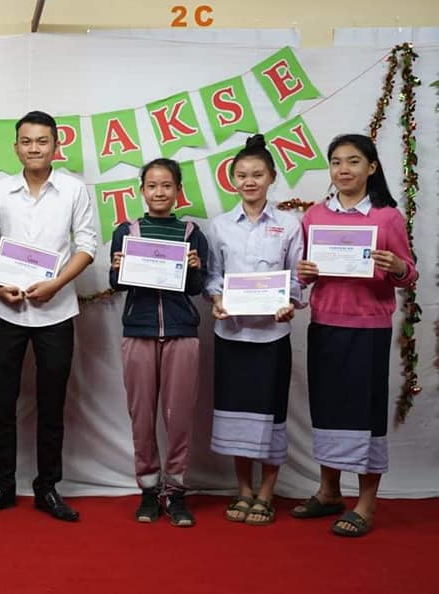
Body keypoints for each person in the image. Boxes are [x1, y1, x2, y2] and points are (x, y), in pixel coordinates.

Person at [0, 111, 97, 523]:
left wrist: (56, 284)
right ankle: (2, 484)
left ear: (56, 146)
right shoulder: (0, 191)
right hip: (8, 309)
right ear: (16, 146)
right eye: (27, 141)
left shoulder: (74, 190)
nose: (34, 148)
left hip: (55, 310)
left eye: (42, 141)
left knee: (52, 402)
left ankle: (48, 488)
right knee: (1, 402)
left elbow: (88, 244)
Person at [293, 134, 417, 537]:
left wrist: (398, 265)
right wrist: (304, 274)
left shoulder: (387, 217)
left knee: (364, 412)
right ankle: (329, 491)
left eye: (353, 162)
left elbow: (409, 274)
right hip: (326, 323)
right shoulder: (313, 216)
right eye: (336, 162)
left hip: (368, 328)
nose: (343, 170)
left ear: (372, 168)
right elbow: (306, 273)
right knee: (328, 408)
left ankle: (366, 503)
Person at [205, 135, 304, 525]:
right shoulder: (220, 225)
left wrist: (290, 303)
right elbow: (214, 276)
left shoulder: (289, 225)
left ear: (271, 178)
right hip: (231, 335)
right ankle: (243, 489)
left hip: (272, 337)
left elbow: (297, 279)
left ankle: (267, 491)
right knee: (236, 414)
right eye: (242, 175)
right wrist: (216, 299)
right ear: (232, 180)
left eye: (257, 174)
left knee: (271, 412)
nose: (249, 181)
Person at [109, 158, 208, 527]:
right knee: (142, 414)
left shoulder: (191, 232)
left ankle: (177, 492)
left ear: (178, 190)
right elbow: (117, 283)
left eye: (167, 185)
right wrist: (119, 267)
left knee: (179, 415)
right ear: (142, 190)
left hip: (182, 331)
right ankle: (149, 491)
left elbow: (198, 289)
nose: (159, 192)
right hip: (139, 330)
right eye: (152, 185)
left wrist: (195, 269)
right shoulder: (127, 230)